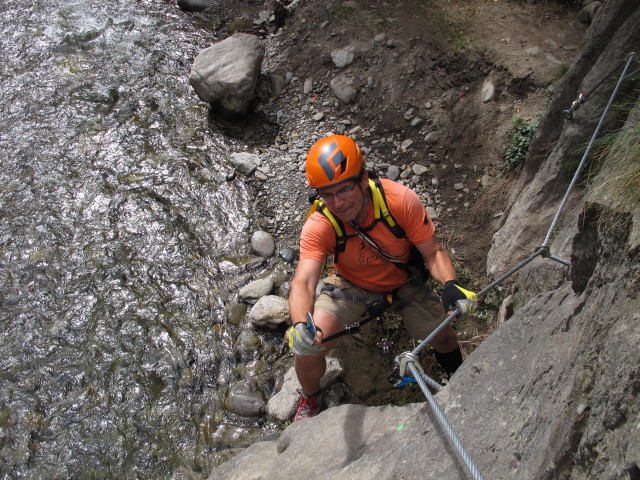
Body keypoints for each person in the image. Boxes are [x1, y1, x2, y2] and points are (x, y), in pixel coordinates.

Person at [287, 135, 478, 422]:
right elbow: (303, 282)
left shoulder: (399, 202)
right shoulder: (321, 224)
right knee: (307, 352)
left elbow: (433, 253)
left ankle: (456, 378)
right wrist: (302, 325)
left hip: (404, 280)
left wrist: (451, 285)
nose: (337, 202)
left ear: (363, 179)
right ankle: (311, 397)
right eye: (327, 194)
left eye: (343, 190)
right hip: (352, 284)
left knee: (444, 335)